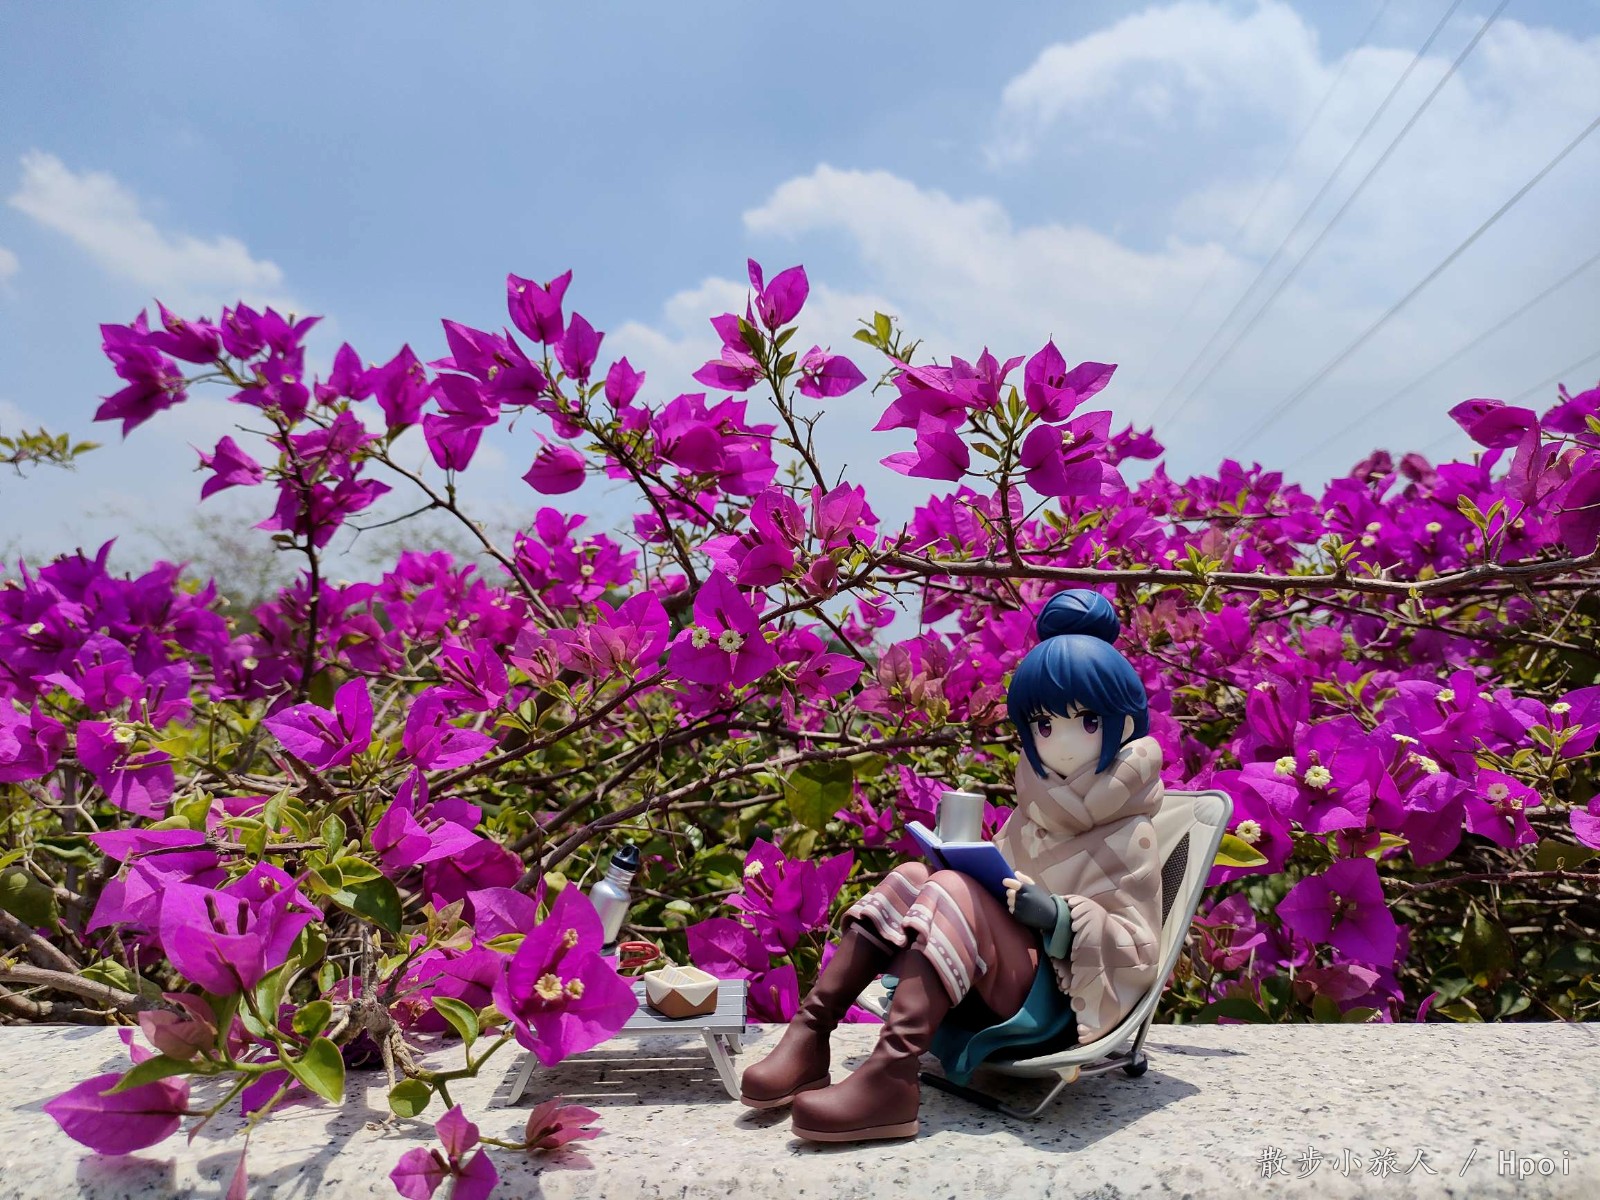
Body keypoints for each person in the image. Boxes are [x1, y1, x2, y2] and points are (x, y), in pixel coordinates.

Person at [738, 589, 1167, 1142]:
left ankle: (893, 1073)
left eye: (1086, 721)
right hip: (1002, 976)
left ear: (1123, 725)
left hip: (1058, 1004)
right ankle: (812, 1031)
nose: (1060, 741)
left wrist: (1060, 918)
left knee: (951, 888)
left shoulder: (1130, 832)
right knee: (916, 878)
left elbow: (1140, 950)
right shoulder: (1036, 810)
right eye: (1043, 724)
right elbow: (992, 893)